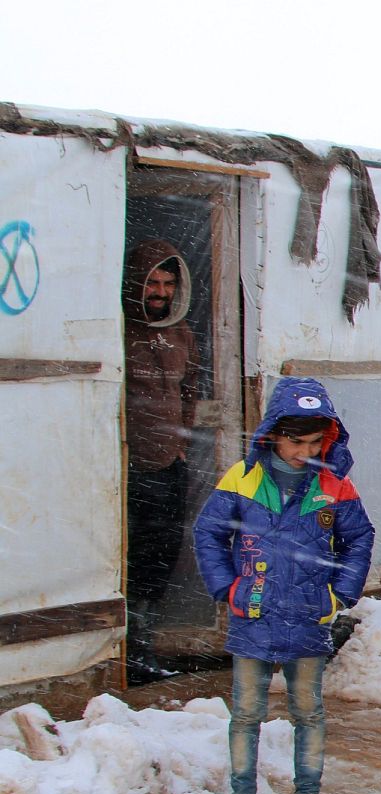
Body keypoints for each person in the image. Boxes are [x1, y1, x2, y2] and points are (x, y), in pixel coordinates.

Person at [192, 378, 374, 794]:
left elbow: (359, 539)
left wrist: (338, 595)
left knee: (308, 711)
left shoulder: (334, 485)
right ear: (273, 434)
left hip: (308, 616)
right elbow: (208, 533)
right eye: (297, 442)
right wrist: (227, 588)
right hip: (252, 613)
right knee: (247, 713)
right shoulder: (242, 479)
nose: (305, 452)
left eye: (316, 442)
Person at [123, 239, 203, 684]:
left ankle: (144, 644)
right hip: (130, 466)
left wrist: (182, 444)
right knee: (131, 556)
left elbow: (189, 389)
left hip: (169, 463)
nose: (160, 291)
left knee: (162, 554)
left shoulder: (179, 332)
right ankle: (128, 653)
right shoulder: (119, 329)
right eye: (152, 281)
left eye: (168, 282)